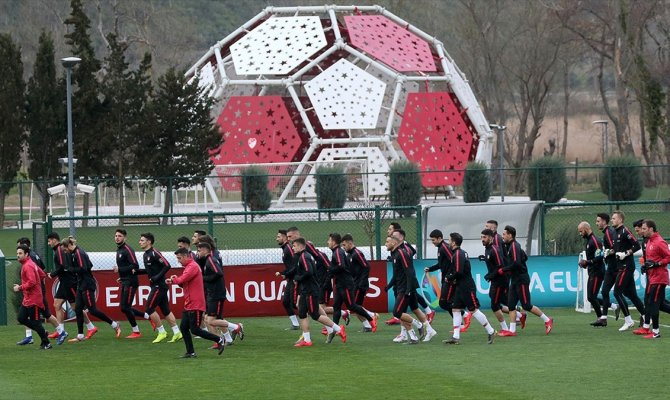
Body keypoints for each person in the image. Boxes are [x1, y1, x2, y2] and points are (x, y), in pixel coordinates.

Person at [167, 248, 226, 358]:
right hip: (189, 303)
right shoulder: (189, 267)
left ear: (185, 256)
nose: (178, 261)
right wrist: (175, 280)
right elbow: (183, 283)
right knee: (184, 328)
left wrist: (175, 280)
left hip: (195, 303)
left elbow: (181, 281)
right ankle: (191, 352)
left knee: (195, 329)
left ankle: (219, 339)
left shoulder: (192, 267)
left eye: (179, 258)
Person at [61, 236, 121, 342]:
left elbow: (83, 268)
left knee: (93, 310)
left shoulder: (79, 253)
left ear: (69, 245)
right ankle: (80, 335)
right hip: (81, 284)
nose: (65, 251)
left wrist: (70, 269)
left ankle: (115, 325)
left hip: (87, 285)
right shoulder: (75, 253)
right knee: (78, 309)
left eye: (65, 249)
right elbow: (89, 265)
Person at [498, 225, 554, 336]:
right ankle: (512, 330)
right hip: (515, 279)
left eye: (504, 234)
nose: (502, 236)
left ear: (510, 235)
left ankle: (547, 320)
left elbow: (516, 263)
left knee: (527, 305)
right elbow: (524, 257)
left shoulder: (514, 246)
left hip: (521, 280)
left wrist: (503, 270)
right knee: (511, 305)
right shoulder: (511, 246)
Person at [442, 233, 496, 345]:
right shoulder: (459, 253)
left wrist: (449, 278)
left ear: (453, 242)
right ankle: (455, 337)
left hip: (466, 287)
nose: (448, 243)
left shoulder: (458, 254)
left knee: (473, 310)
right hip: (460, 286)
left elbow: (458, 271)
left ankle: (491, 331)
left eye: (449, 240)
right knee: (455, 309)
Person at [291, 238, 346, 347]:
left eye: (294, 246)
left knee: (315, 315)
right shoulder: (302, 256)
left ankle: (339, 329)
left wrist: (298, 278)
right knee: (302, 313)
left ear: (301, 246)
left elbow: (309, 272)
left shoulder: (304, 257)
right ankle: (307, 340)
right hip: (305, 290)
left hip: (311, 290)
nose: (293, 248)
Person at [46, 232, 96, 342]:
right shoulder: (59, 250)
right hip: (64, 282)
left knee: (75, 307)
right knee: (57, 304)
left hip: (69, 282)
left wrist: (52, 274)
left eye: (49, 241)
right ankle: (61, 331)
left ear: (54, 240)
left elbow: (64, 266)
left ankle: (91, 327)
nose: (49, 243)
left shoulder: (59, 250)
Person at [326, 233, 376, 339]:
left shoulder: (340, 252)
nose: (327, 242)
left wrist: (330, 269)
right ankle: (334, 330)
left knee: (352, 306)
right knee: (336, 308)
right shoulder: (340, 253)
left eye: (329, 240)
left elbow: (341, 266)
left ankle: (371, 318)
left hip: (346, 284)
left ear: (334, 242)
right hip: (341, 284)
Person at [385, 233, 431, 344]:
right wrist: (389, 286)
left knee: (397, 312)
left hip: (405, 288)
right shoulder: (394, 254)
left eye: (387, 242)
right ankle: (413, 337)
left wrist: (408, 290)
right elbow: (396, 274)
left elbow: (409, 272)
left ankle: (419, 325)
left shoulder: (401, 253)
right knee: (403, 312)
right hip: (400, 287)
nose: (385, 244)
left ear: (394, 242)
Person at [137, 233, 182, 343]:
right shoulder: (145, 255)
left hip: (159, 286)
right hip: (156, 285)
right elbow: (149, 271)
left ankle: (161, 332)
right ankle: (177, 332)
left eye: (142, 240)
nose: (140, 242)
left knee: (149, 308)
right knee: (165, 310)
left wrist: (156, 277)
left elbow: (167, 265)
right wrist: (135, 272)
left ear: (149, 242)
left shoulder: (154, 253)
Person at [15, 237, 60, 345]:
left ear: (26, 254)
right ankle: (43, 332)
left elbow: (32, 282)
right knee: (21, 318)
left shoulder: (28, 266)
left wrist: (20, 287)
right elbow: (42, 274)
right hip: (28, 298)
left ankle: (46, 343)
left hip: (33, 299)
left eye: (20, 253)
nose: (18, 255)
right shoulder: (30, 263)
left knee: (36, 322)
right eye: (17, 253)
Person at [198, 242, 244, 347]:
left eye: (199, 250)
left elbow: (219, 273)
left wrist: (204, 279)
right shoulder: (207, 261)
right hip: (212, 293)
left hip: (216, 294)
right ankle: (225, 339)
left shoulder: (211, 260)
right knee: (213, 319)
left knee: (211, 321)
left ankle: (236, 327)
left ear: (205, 250)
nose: (198, 253)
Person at [480, 228, 523, 334]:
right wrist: (484, 259)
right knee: (500, 300)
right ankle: (519, 315)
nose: (482, 239)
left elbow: (500, 266)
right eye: (481, 237)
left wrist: (490, 275)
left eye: (484, 237)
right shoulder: (487, 249)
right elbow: (493, 263)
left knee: (494, 305)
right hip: (495, 280)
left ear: (490, 238)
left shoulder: (494, 249)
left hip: (500, 281)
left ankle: (505, 328)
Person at [633, 220, 670, 339]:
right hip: (652, 277)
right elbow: (650, 260)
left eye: (644, 229)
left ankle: (656, 332)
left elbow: (668, 257)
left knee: (654, 304)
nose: (642, 231)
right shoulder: (648, 242)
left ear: (651, 229)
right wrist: (646, 266)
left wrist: (656, 264)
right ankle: (646, 327)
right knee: (652, 303)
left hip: (659, 278)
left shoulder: (659, 242)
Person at [610, 211, 645, 331]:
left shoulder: (625, 230)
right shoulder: (614, 233)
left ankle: (628, 320)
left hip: (627, 266)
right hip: (620, 266)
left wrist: (626, 253)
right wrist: (609, 252)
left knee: (617, 292)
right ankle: (646, 316)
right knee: (631, 294)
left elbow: (636, 245)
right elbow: (616, 249)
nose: (612, 220)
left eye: (614, 218)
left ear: (620, 220)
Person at [341, 234, 379, 332]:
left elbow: (366, 266)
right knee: (355, 306)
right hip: (354, 284)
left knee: (354, 305)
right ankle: (367, 326)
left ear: (350, 243)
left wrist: (362, 282)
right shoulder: (349, 254)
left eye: (344, 245)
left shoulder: (357, 253)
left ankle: (371, 315)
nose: (343, 247)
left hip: (359, 285)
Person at [112, 229, 144, 338]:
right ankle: (148, 316)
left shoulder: (127, 249)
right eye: (116, 236)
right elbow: (127, 267)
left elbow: (135, 266)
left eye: (120, 236)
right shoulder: (119, 250)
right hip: (125, 280)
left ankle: (136, 331)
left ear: (125, 238)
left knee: (126, 307)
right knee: (124, 307)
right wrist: (121, 277)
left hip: (131, 282)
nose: (117, 237)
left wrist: (119, 269)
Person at [424, 229, 454, 340]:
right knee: (447, 302)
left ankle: (463, 317)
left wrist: (451, 275)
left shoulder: (444, 247)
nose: (433, 242)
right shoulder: (440, 248)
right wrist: (430, 269)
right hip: (446, 278)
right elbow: (441, 264)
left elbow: (453, 260)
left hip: (449, 279)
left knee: (443, 302)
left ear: (440, 238)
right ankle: (461, 319)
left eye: (433, 240)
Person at [577, 222, 606, 326]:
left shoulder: (594, 240)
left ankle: (602, 318)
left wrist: (587, 262)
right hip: (593, 271)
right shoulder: (589, 241)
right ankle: (612, 306)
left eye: (581, 231)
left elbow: (600, 256)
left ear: (586, 229)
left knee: (591, 296)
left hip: (598, 272)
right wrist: (586, 264)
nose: (580, 234)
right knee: (590, 296)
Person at [595, 213, 622, 321]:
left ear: (604, 222)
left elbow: (615, 248)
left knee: (625, 293)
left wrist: (607, 252)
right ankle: (604, 316)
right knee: (605, 292)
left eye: (598, 221)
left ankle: (641, 315)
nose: (597, 223)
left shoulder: (608, 232)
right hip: (612, 266)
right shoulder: (608, 232)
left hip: (614, 267)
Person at [274, 229, 299, 330]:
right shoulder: (285, 248)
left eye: (278, 237)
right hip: (291, 278)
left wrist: (284, 273)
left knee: (296, 304)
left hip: (295, 279)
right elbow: (290, 267)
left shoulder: (289, 248)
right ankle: (296, 324)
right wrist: (284, 273)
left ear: (284, 237)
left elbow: (295, 265)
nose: (277, 239)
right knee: (286, 302)